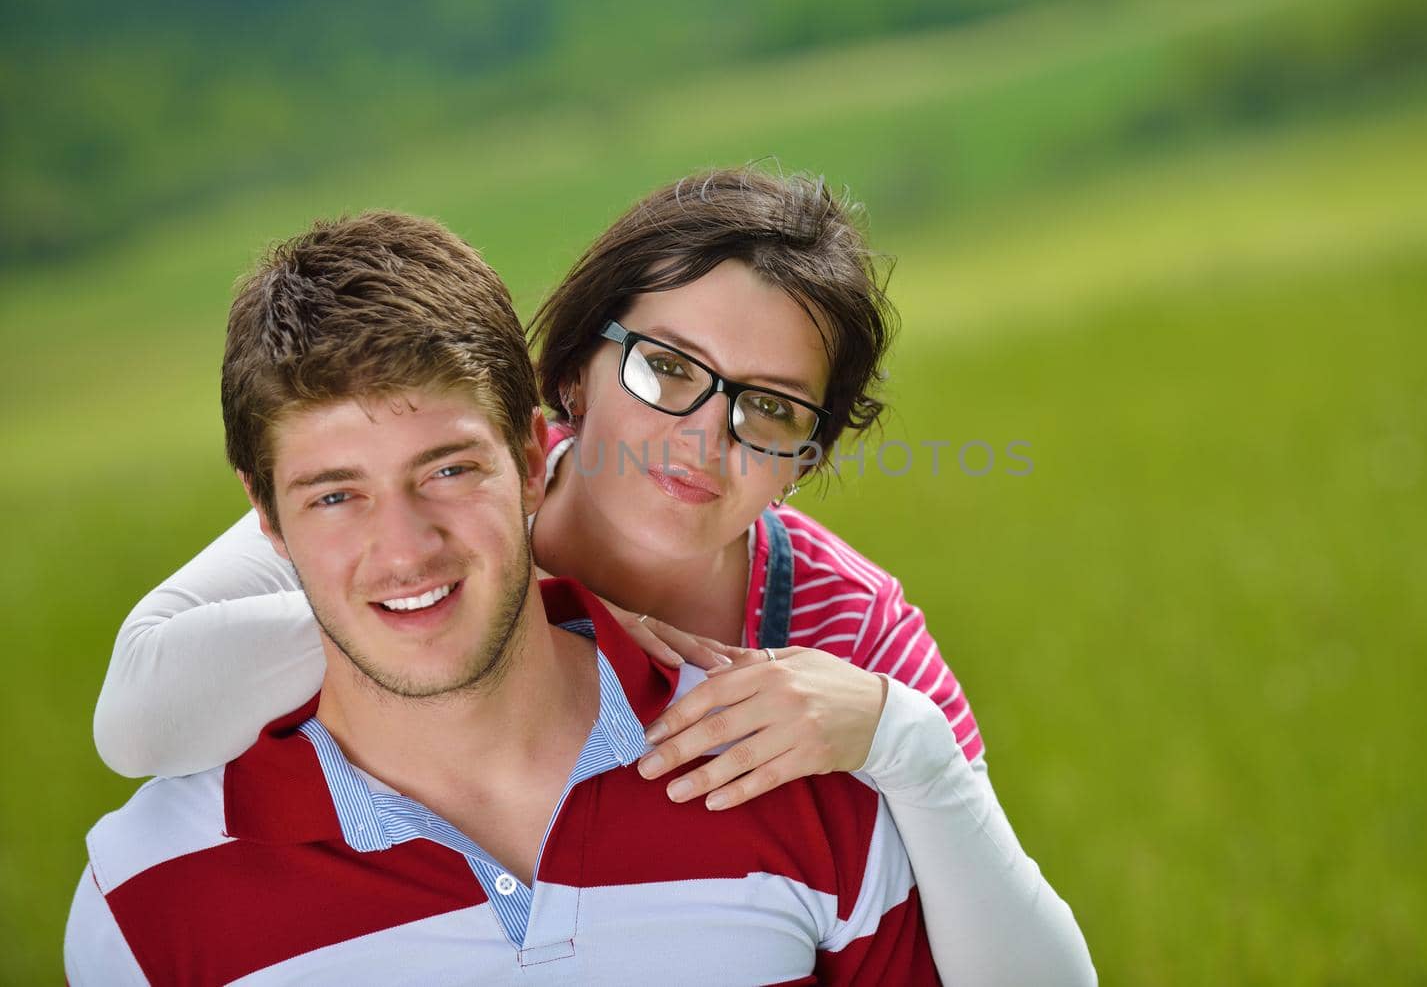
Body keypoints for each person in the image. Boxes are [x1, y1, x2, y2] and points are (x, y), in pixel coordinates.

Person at [94, 170, 1096, 984]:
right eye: (667, 368)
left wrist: (901, 738)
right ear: (571, 374)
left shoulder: (843, 628)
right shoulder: (436, 489)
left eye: (773, 410)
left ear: (806, 457)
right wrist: (500, 606)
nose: (705, 437)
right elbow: (135, 718)